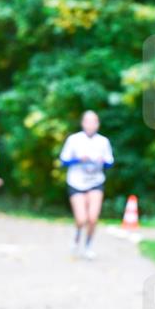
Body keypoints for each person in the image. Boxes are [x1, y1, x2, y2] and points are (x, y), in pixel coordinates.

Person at [59, 110, 113, 260]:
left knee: (93, 218)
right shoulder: (74, 140)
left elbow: (110, 162)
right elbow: (63, 161)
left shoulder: (103, 141)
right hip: (76, 182)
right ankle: (77, 236)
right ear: (83, 123)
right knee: (81, 219)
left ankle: (88, 246)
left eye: (94, 121)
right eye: (88, 121)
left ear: (98, 124)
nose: (91, 125)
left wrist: (103, 161)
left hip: (96, 182)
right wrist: (78, 159)